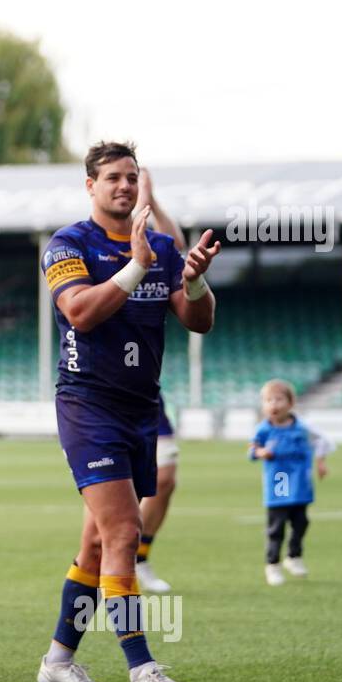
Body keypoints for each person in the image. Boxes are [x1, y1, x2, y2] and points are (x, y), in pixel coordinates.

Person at [37, 141, 217, 682]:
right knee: (121, 533)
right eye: (113, 177)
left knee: (96, 544)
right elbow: (80, 312)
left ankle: (58, 661)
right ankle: (144, 670)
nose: (124, 186)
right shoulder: (68, 245)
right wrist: (138, 264)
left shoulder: (163, 246)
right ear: (90, 185)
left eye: (132, 177)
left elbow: (198, 322)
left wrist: (193, 280)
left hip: (142, 407)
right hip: (89, 406)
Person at [133, 168, 185, 594]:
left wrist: (155, 202)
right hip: (97, 392)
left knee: (165, 478)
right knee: (113, 500)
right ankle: (105, 562)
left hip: (147, 392)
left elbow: (180, 254)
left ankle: (139, 557)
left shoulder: (158, 249)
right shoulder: (88, 244)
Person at [250, 379, 334, 586]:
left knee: (301, 523)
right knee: (276, 527)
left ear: (290, 402)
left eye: (279, 399)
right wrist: (261, 452)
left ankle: (293, 556)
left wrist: (321, 462)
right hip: (279, 483)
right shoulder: (264, 430)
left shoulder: (302, 428)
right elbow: (252, 449)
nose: (273, 405)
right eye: (268, 400)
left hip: (300, 484)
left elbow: (322, 441)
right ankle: (273, 565)